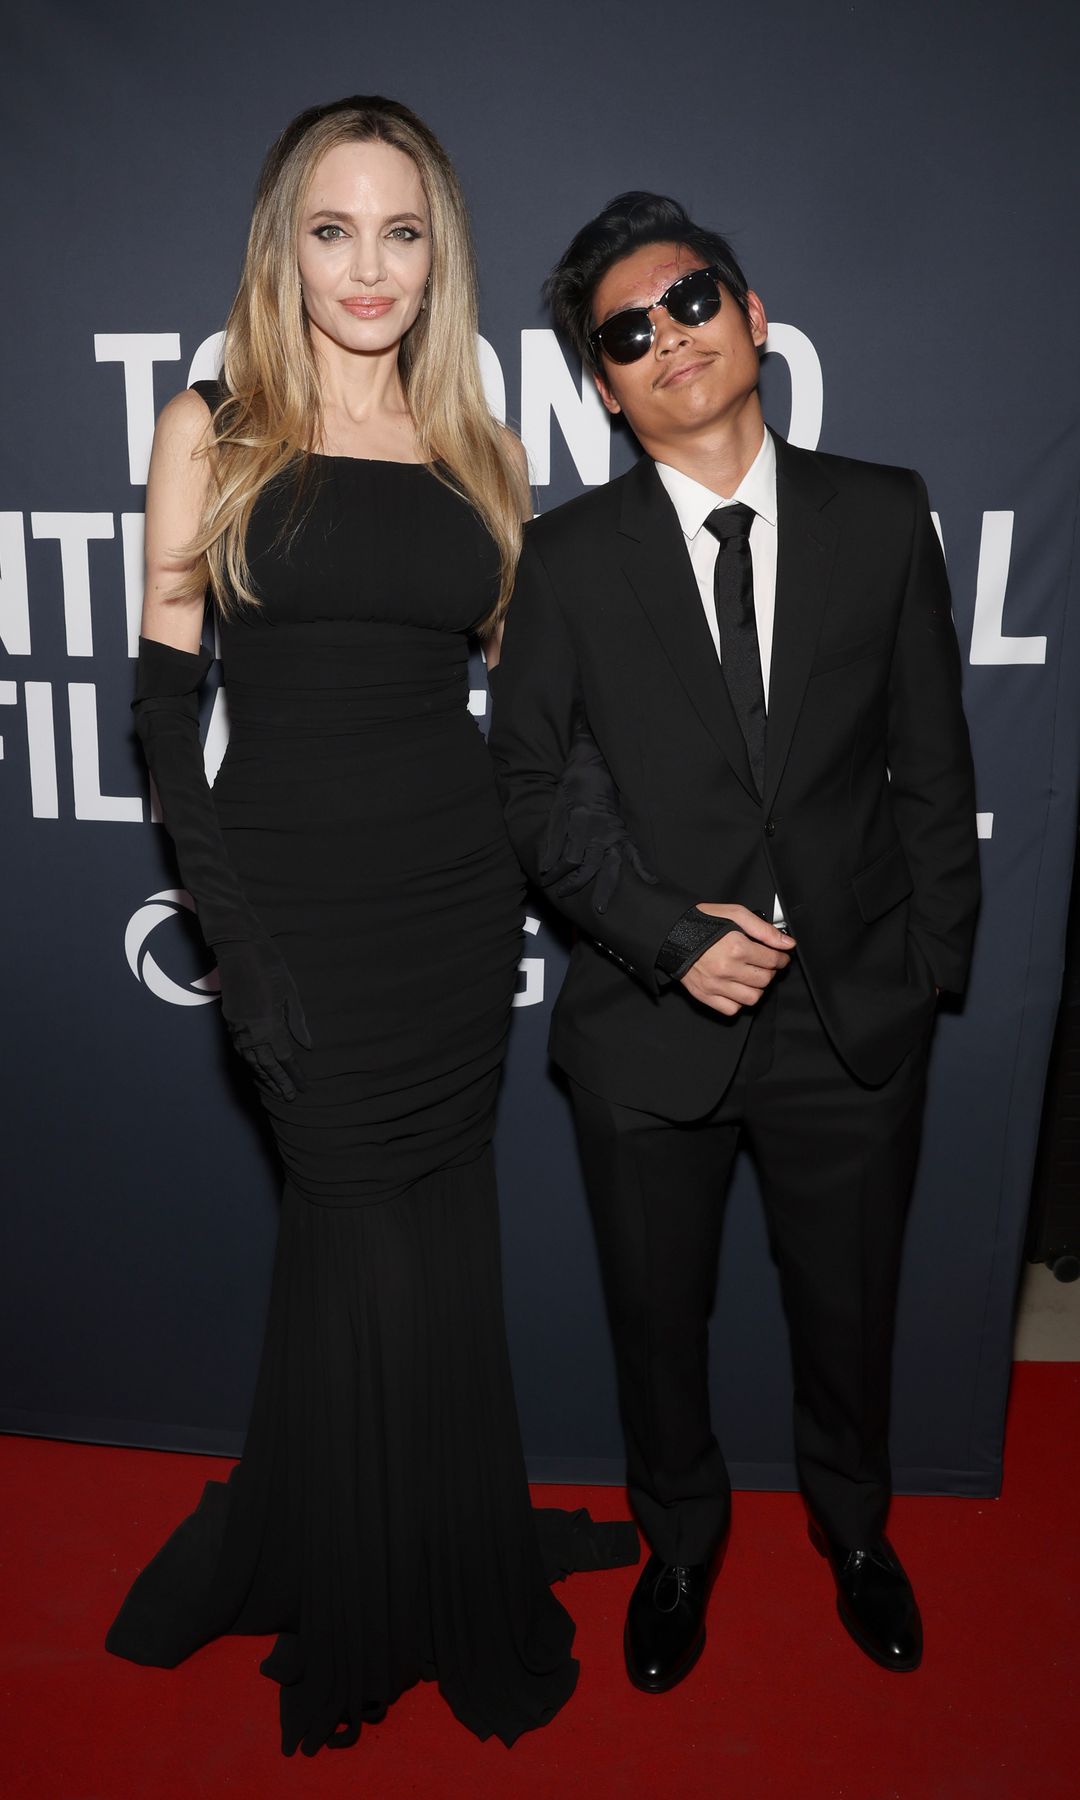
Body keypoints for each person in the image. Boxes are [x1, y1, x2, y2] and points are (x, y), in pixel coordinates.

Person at [105, 97, 635, 1757]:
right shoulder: (214, 423)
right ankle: (365, 1577)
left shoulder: (477, 441)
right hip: (295, 908)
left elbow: (528, 705)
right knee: (355, 1247)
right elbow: (159, 702)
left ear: (438, 252)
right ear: (285, 243)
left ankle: (443, 1539)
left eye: (400, 231)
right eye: (333, 229)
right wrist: (233, 935)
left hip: (454, 905)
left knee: (437, 1241)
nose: (367, 265)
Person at [489, 192, 980, 1695]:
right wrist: (658, 938)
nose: (669, 340)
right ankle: (679, 1544)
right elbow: (530, 787)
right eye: (626, 335)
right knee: (657, 1323)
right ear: (608, 387)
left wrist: (921, 974)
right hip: (650, 1035)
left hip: (852, 1023)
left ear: (752, 315)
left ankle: (853, 1530)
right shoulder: (561, 561)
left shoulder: (884, 514)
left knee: (853, 1311)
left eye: (688, 301)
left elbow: (933, 766)